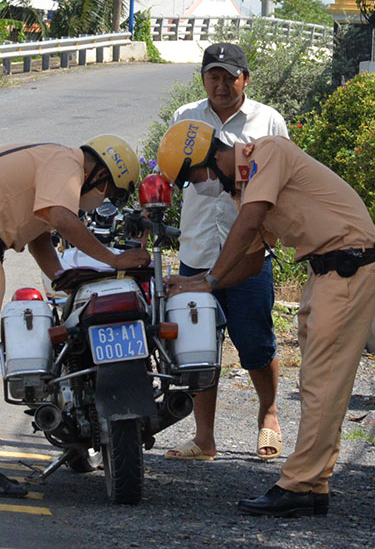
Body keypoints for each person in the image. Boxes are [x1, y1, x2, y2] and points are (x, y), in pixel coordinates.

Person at [158, 120, 375, 518]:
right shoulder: (247, 187)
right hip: (326, 269)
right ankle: (314, 484)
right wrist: (196, 281)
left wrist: (209, 281)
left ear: (211, 159)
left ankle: (296, 484)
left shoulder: (268, 153)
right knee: (320, 382)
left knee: (321, 382)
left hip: (348, 264)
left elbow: (246, 228)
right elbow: (252, 260)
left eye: (193, 178)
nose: (197, 188)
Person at [0, 136, 149, 498]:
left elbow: (39, 236)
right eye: (106, 195)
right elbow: (61, 218)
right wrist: (114, 260)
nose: (99, 203)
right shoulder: (66, 165)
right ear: (100, 179)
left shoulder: (50, 158)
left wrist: (61, 280)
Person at [165, 42, 289, 464]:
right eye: (212, 76)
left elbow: (283, 182)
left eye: (228, 76)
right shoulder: (185, 118)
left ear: (245, 78)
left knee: (255, 340)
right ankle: (204, 439)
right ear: (203, 79)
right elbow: (169, 176)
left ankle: (269, 416)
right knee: (198, 345)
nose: (220, 84)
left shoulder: (268, 120)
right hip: (197, 249)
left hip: (251, 252)